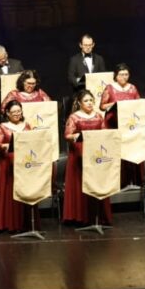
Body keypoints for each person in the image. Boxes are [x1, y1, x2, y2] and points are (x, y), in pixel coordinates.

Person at [62, 90, 112, 225]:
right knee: (81, 184)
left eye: (91, 100)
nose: (89, 103)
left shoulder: (98, 116)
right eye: (86, 101)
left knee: (96, 183)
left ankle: (97, 216)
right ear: (79, 103)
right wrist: (77, 136)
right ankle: (81, 216)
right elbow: (67, 135)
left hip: (95, 154)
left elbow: (104, 133)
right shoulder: (74, 117)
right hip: (79, 155)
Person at [99, 63, 143, 187]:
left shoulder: (132, 88)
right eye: (121, 74)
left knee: (130, 150)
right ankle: (118, 181)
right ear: (116, 76)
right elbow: (102, 106)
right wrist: (115, 104)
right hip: (114, 123)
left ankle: (133, 180)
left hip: (129, 125)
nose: (124, 77)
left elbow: (139, 104)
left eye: (126, 74)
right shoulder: (110, 88)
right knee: (117, 152)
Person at [0, 100, 32, 233]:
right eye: (13, 112)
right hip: (8, 165)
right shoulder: (2, 127)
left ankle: (24, 222)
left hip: (24, 164)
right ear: (7, 113)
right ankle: (10, 223)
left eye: (18, 111)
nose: (16, 114)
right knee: (10, 193)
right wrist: (11, 144)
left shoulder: (27, 125)